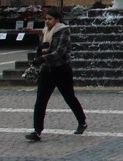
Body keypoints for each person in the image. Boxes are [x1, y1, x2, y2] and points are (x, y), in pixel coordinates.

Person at [25, 8, 87, 142]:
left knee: (69, 97)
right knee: (40, 101)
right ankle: (37, 131)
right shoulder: (44, 32)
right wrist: (37, 58)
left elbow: (60, 51)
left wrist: (43, 58)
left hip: (62, 70)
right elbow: (40, 48)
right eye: (46, 19)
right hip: (47, 71)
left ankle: (82, 121)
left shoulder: (64, 31)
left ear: (57, 20)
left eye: (50, 19)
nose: (47, 21)